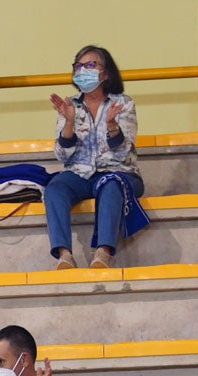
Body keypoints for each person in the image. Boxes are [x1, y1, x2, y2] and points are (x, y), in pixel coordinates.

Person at [45, 45, 145, 270]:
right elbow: (62, 155)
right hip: (79, 173)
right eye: (78, 66)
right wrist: (69, 122)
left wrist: (111, 125)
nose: (83, 70)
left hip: (118, 172)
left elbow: (123, 152)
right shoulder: (70, 105)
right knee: (55, 188)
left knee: (110, 185)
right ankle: (64, 255)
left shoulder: (122, 103)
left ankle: (102, 252)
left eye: (90, 65)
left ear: (105, 72)